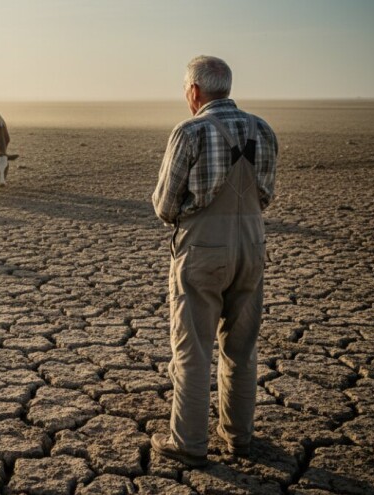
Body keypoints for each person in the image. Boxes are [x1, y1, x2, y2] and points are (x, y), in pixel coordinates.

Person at [150, 55, 278, 467]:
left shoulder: (189, 131)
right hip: (252, 246)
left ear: (194, 90)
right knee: (241, 346)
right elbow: (265, 195)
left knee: (192, 347)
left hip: (203, 250)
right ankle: (238, 436)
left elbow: (165, 205)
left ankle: (188, 443)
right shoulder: (263, 129)